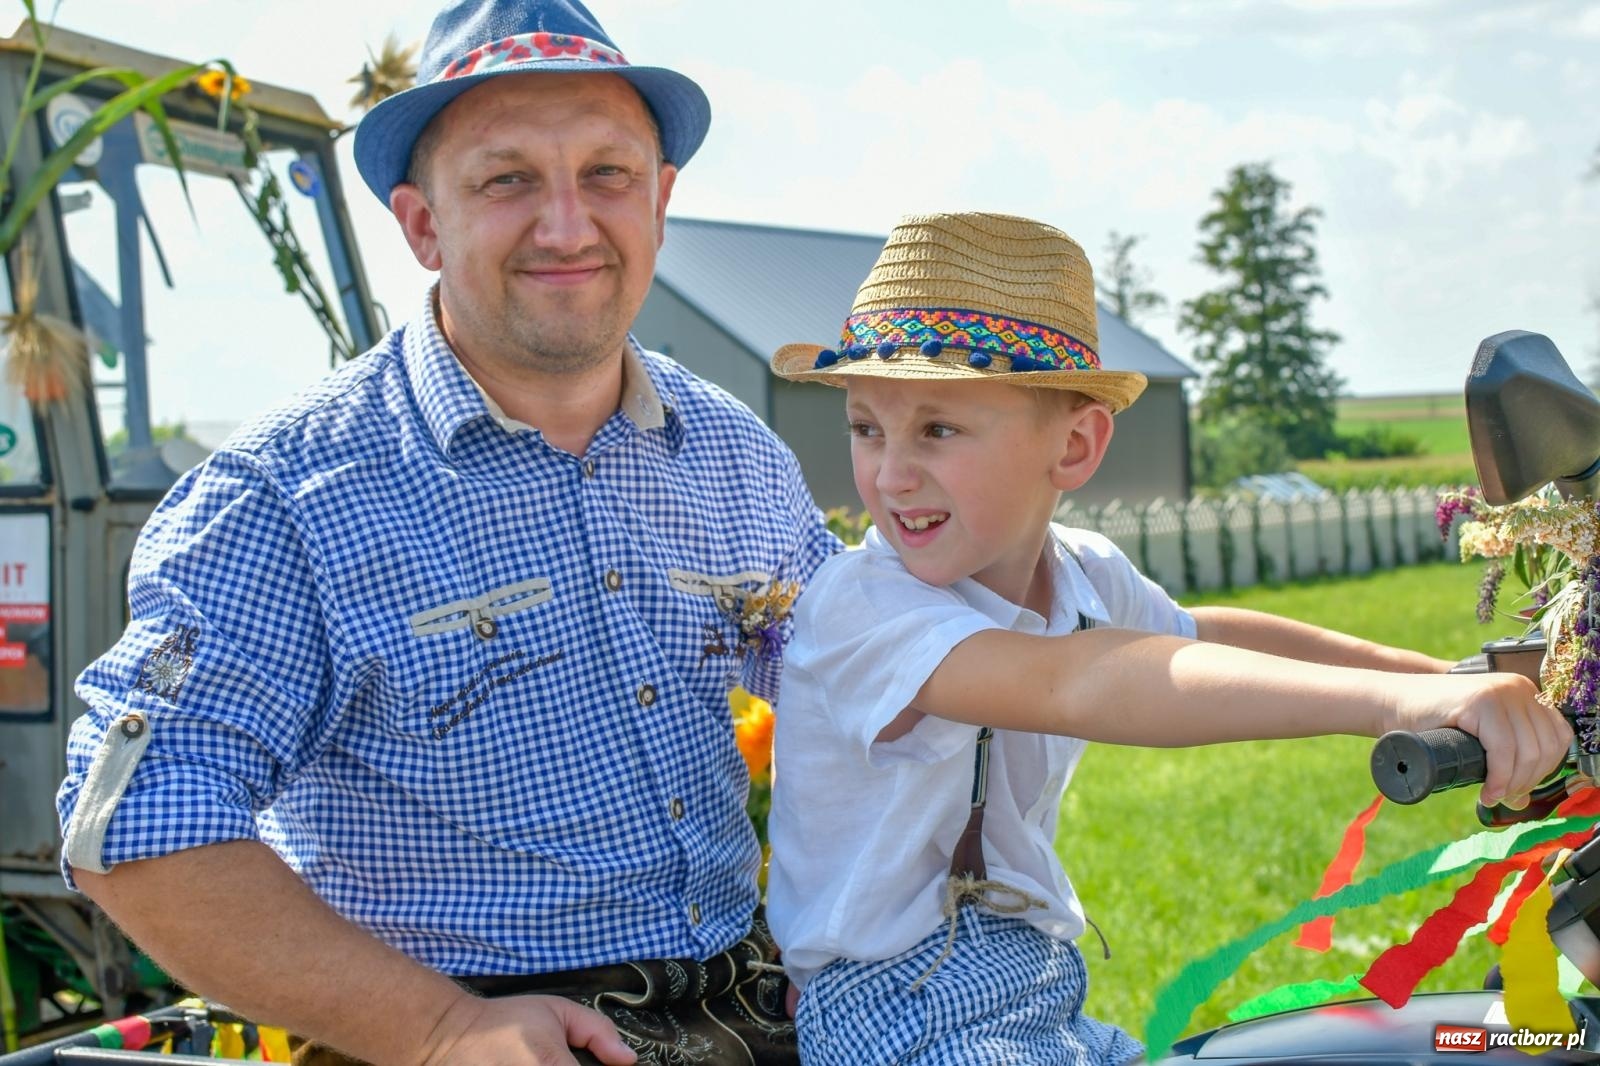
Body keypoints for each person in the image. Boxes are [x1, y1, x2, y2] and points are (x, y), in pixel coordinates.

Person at [56, 1, 837, 1063]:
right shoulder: (289, 494)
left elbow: (860, 686)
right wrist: (437, 1027)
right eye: (507, 179)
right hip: (461, 1028)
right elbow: (132, 821)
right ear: (422, 223)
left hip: (746, 1000)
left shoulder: (733, 458)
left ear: (660, 201)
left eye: (606, 174)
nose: (567, 225)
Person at [762, 211, 1571, 1065]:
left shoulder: (1081, 572)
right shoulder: (860, 603)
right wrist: (1395, 703)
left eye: (938, 429)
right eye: (866, 428)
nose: (889, 473)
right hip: (891, 1006)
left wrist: (1444, 677)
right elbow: (1079, 680)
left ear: (1074, 445)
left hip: (1034, 979)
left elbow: (1198, 636)